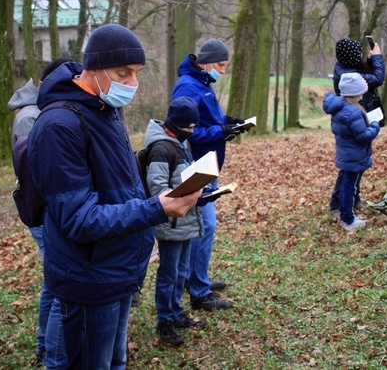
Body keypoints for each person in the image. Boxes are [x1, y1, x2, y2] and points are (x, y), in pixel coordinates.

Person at [26, 24, 202, 368]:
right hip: (89, 278)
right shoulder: (59, 126)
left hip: (117, 270)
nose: (132, 84)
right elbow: (79, 219)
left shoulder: (105, 110)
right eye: (123, 73)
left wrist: (161, 188)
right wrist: (157, 207)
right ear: (93, 68)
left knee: (115, 362)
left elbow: (117, 186)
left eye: (136, 74)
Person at [172, 38, 246, 311]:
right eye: (221, 65)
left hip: (210, 164)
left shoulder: (203, 84)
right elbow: (184, 130)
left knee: (204, 226)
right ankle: (198, 291)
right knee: (205, 226)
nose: (223, 71)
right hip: (197, 165)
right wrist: (219, 132)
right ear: (207, 62)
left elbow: (209, 120)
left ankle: (195, 279)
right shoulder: (188, 86)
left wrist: (230, 123)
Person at [7, 57, 69, 368]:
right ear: (44, 85)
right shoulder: (30, 117)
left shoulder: (41, 110)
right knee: (59, 287)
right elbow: (35, 173)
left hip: (51, 212)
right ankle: (50, 352)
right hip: (44, 214)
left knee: (53, 284)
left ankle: (46, 343)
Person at [144, 96, 207, 346]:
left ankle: (177, 312)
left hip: (187, 219)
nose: (191, 132)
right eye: (188, 128)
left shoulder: (181, 143)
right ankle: (165, 321)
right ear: (175, 124)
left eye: (194, 127)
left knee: (181, 271)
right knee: (168, 273)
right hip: (171, 222)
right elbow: (158, 189)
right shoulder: (161, 148)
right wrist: (189, 195)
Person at [329, 37, 385, 221]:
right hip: (356, 129)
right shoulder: (349, 77)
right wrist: (377, 58)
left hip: (359, 123)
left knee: (355, 167)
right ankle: (338, 205)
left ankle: (353, 199)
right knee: (349, 170)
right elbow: (377, 78)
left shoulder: (347, 69)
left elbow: (366, 75)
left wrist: (369, 59)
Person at [323, 73, 381, 230]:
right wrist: (375, 125)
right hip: (353, 155)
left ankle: (342, 211)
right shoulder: (352, 112)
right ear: (355, 92)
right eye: (362, 90)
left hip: (348, 154)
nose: (363, 93)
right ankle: (347, 219)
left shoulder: (342, 107)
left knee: (346, 184)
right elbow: (362, 136)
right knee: (349, 187)